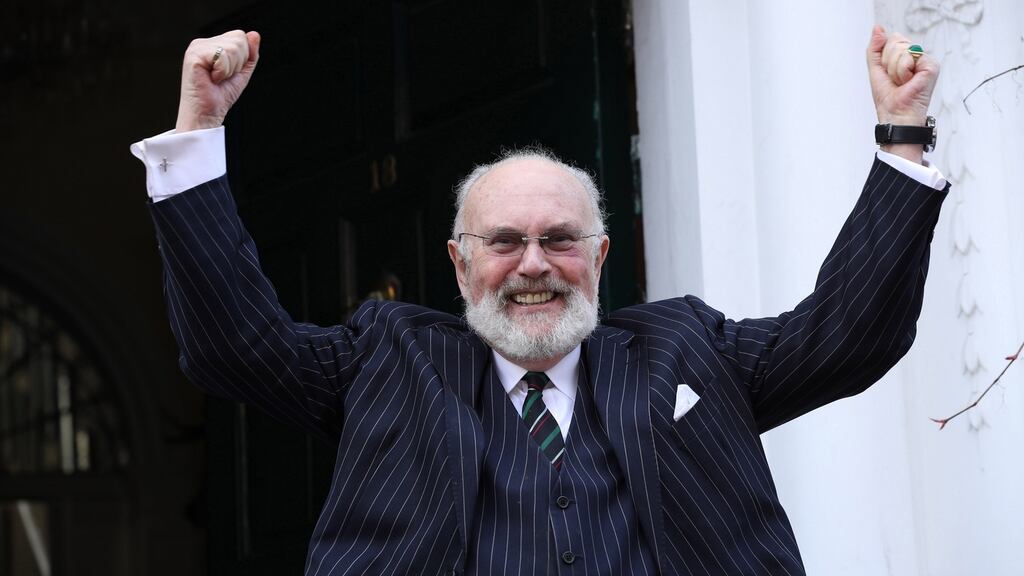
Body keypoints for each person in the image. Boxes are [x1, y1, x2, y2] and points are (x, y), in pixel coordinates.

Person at [132, 25, 947, 576]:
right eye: (504, 242)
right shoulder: (387, 358)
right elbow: (235, 346)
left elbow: (846, 336)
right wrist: (198, 133)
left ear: (599, 257)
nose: (533, 265)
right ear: (459, 264)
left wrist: (901, 136)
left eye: (560, 239)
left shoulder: (688, 349)